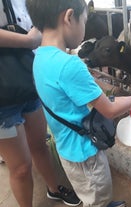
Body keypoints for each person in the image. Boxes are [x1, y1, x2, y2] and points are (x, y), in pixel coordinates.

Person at [26, 0, 131, 207]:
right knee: (97, 194)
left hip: (66, 147)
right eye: (84, 21)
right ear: (69, 17)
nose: (84, 29)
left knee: (89, 191)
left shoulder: (39, 57)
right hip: (84, 153)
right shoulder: (69, 65)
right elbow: (108, 109)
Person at [0, 0, 81, 207]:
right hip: (2, 96)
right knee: (20, 167)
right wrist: (28, 40)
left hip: (29, 79)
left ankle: (54, 189)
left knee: (39, 145)